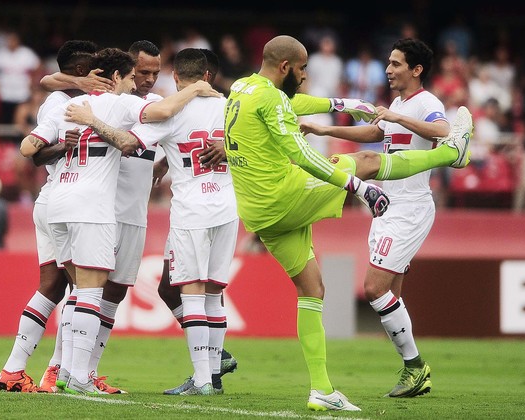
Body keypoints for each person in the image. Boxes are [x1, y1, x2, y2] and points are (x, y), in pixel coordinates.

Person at [223, 35, 473, 412]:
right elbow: (303, 153)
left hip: (260, 213)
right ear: (286, 68)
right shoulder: (273, 97)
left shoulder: (243, 86)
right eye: (304, 68)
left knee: (313, 289)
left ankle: (323, 390)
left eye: (395, 63)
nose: (307, 76)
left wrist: (338, 110)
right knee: (366, 164)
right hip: (286, 197)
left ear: (416, 69)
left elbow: (297, 103)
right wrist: (359, 188)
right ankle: (452, 155)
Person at [20, 47, 220, 395]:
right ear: (120, 74)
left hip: (122, 212)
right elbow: (51, 80)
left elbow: (30, 143)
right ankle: (63, 369)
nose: (145, 79)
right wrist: (197, 88)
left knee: (102, 293)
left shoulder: (78, 104)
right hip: (99, 208)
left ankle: (81, 371)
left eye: (154, 73)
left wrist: (165, 163)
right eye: (139, 72)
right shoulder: (125, 104)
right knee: (85, 290)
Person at [69, 48, 238, 396]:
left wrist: (93, 122)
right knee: (213, 293)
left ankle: (203, 379)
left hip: (192, 210)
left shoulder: (170, 112)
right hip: (227, 208)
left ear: (175, 77)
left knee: (189, 291)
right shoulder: (232, 109)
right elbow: (260, 146)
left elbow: (129, 144)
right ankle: (213, 372)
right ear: (208, 76)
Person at [301, 37, 454, 399]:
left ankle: (416, 367)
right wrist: (324, 129)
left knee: (374, 288)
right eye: (388, 62)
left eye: (396, 63)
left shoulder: (426, 103)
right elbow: (376, 132)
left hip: (411, 207)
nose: (388, 69)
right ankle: (411, 370)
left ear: (416, 70)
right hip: (386, 206)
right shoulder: (399, 103)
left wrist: (398, 116)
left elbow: (445, 132)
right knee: (390, 296)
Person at [0, 39, 100, 394]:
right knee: (81, 286)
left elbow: (41, 153)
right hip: (65, 201)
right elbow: (34, 152)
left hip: (53, 200)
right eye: (95, 68)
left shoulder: (63, 97)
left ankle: (14, 369)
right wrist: (63, 146)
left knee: (54, 286)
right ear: (84, 72)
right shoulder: (61, 104)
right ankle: (59, 370)